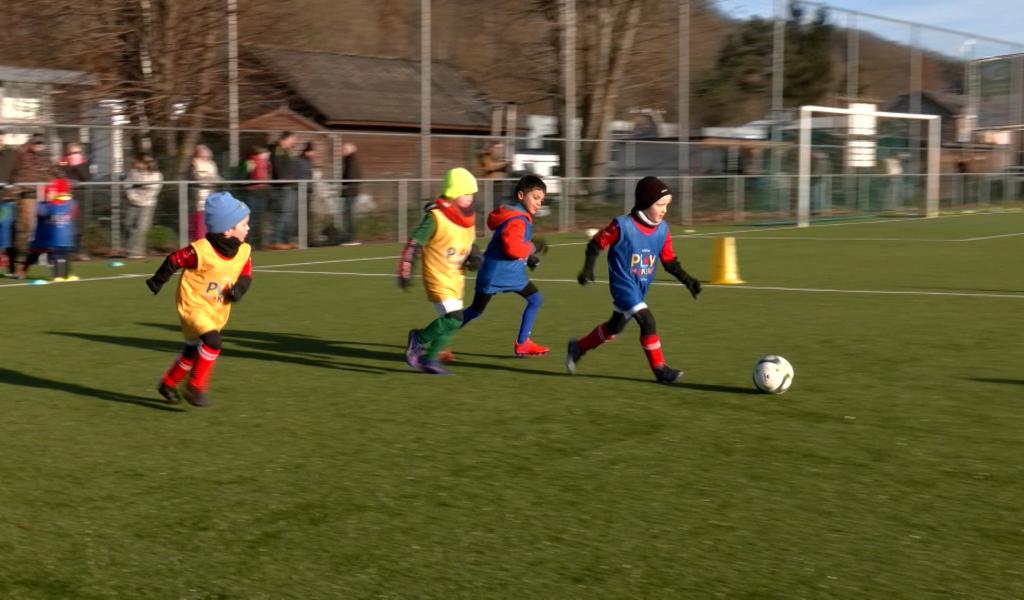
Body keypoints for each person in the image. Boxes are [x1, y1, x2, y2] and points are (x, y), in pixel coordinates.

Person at [567, 176, 703, 384]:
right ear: (645, 202)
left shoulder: (663, 230)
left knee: (615, 326)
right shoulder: (622, 225)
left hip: (640, 289)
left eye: (667, 205)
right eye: (660, 204)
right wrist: (588, 269)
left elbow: (669, 261)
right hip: (623, 286)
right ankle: (660, 369)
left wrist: (688, 280)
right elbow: (596, 243)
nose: (664, 210)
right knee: (648, 321)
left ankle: (578, 347)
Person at [145, 191, 253, 407]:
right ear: (227, 230)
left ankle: (168, 383)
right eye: (244, 224)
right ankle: (195, 387)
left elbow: (246, 275)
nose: (248, 228)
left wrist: (238, 291)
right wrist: (158, 281)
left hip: (217, 310)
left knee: (192, 351)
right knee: (213, 342)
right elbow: (174, 259)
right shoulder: (200, 251)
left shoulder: (244, 251)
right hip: (193, 306)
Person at [396, 167, 480, 376]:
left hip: (455, 278)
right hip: (438, 276)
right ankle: (418, 339)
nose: (470, 198)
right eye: (465, 193)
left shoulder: (467, 218)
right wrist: (405, 267)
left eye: (472, 194)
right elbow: (414, 243)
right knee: (454, 318)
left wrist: (476, 256)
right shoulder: (436, 217)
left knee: (453, 323)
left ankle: (431, 359)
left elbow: (470, 243)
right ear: (453, 193)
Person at [461, 174, 550, 356]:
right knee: (534, 299)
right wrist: (533, 246)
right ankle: (522, 343)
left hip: (500, 271)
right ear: (520, 196)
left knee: (476, 311)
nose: (539, 203)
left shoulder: (516, 215)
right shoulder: (519, 219)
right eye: (535, 197)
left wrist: (529, 257)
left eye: (541, 200)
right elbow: (513, 249)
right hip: (500, 273)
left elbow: (510, 245)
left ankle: (523, 343)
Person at [8, 134, 57, 276]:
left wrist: (65, 180)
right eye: (36, 143)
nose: (39, 146)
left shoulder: (43, 159)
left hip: (44, 196)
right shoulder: (21, 155)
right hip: (27, 195)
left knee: (46, 229)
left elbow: (54, 171)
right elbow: (13, 166)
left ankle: (42, 261)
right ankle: (19, 264)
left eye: (41, 144)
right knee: (25, 228)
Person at [18, 179, 78, 281]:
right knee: (33, 256)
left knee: (63, 253)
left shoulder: (60, 205)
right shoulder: (43, 205)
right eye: (49, 193)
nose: (50, 195)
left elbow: (70, 209)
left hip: (53, 238)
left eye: (53, 193)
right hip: (42, 237)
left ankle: (67, 274)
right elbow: (43, 212)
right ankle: (22, 272)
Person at [124, 154, 164, 259]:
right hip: (133, 203)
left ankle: (137, 252)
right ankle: (130, 248)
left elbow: (153, 190)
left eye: (139, 162)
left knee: (142, 227)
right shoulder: (133, 173)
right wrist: (132, 197)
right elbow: (127, 185)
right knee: (129, 224)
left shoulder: (156, 175)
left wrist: (142, 198)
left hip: (147, 204)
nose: (136, 164)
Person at [268, 131, 298, 249]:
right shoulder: (277, 149)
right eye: (292, 139)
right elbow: (278, 167)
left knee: (289, 215)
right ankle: (276, 241)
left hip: (290, 186)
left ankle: (287, 240)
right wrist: (284, 180)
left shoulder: (289, 151)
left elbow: (291, 167)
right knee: (281, 214)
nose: (294, 142)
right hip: (282, 187)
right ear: (285, 139)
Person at [187, 144, 221, 241]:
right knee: (199, 217)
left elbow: (216, 177)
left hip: (211, 192)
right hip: (199, 193)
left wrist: (209, 178)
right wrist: (207, 178)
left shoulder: (211, 164)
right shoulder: (194, 163)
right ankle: (199, 239)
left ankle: (210, 239)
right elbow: (196, 177)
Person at [240, 145, 271, 249]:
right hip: (253, 192)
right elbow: (244, 176)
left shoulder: (265, 163)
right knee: (252, 219)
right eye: (263, 153)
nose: (265, 155)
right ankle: (251, 242)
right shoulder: (250, 162)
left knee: (260, 218)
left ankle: (260, 242)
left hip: (261, 192)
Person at [338, 142, 362, 243]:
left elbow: (352, 176)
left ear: (348, 151)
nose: (341, 152)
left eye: (343, 149)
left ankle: (350, 237)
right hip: (349, 191)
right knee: (347, 215)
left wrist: (344, 184)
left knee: (348, 215)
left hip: (350, 192)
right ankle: (348, 236)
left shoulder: (351, 160)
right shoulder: (349, 160)